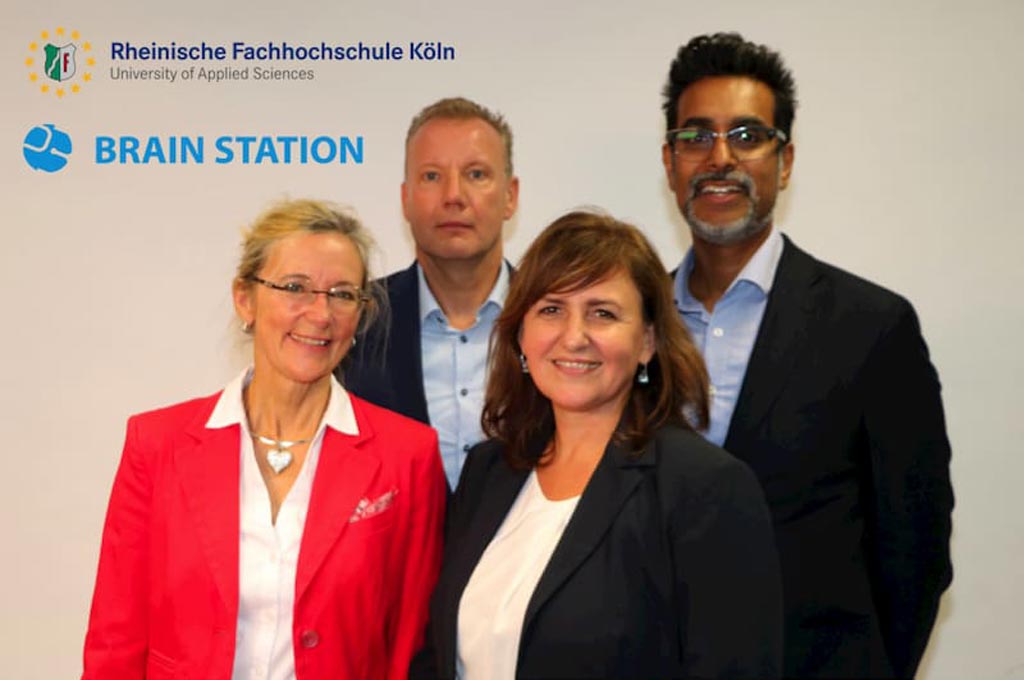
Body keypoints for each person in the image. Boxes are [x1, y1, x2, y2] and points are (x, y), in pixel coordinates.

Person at [660, 32, 954, 679]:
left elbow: (916, 547)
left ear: (785, 160)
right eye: (696, 136)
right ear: (670, 161)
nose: (719, 157)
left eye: (747, 136)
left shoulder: (871, 327)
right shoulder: (627, 327)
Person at [82, 199, 446, 680]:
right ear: (245, 299)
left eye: (342, 294)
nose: (321, 314)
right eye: (295, 287)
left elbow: (411, 644)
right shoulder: (157, 444)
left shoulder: (408, 455)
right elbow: (116, 639)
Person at [414, 211, 782, 680]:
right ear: (521, 335)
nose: (574, 337)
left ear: (647, 341)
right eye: (551, 310)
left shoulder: (705, 487)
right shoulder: (490, 470)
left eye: (602, 313)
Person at [341, 96, 519, 490]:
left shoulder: (556, 320)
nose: (453, 195)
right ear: (405, 199)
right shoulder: (353, 319)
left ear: (511, 196)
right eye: (432, 176)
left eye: (476, 174)